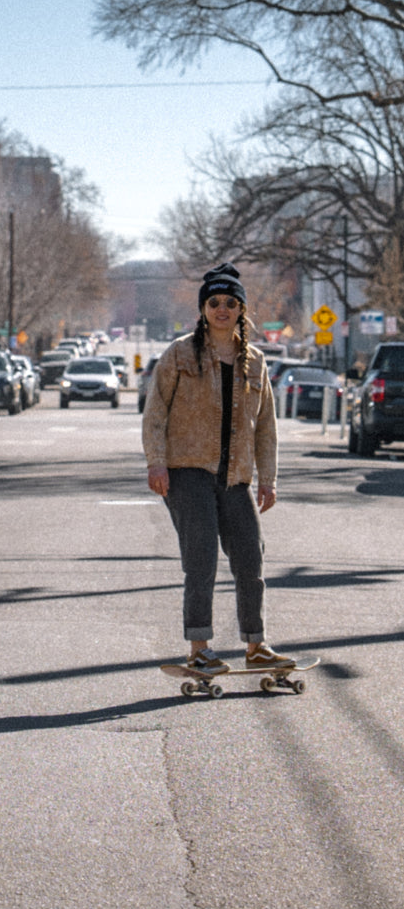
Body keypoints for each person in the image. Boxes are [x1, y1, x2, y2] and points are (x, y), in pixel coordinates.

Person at [142, 262, 294, 676]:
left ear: (242, 309)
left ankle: (256, 644)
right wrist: (156, 461)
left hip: (236, 476)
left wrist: (269, 479)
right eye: (214, 302)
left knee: (250, 557)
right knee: (202, 558)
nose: (222, 309)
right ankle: (199, 647)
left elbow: (266, 427)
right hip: (187, 470)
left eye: (231, 302)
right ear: (203, 309)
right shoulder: (179, 353)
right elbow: (155, 414)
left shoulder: (257, 362)